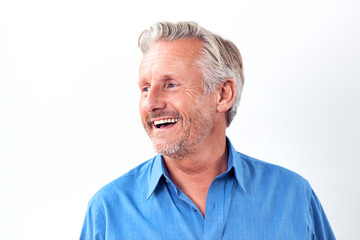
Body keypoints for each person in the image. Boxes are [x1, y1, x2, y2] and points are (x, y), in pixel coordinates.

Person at [80, 21, 335, 239]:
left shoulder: (293, 197)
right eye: (145, 88)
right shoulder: (108, 210)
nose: (151, 103)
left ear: (223, 94)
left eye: (170, 84)